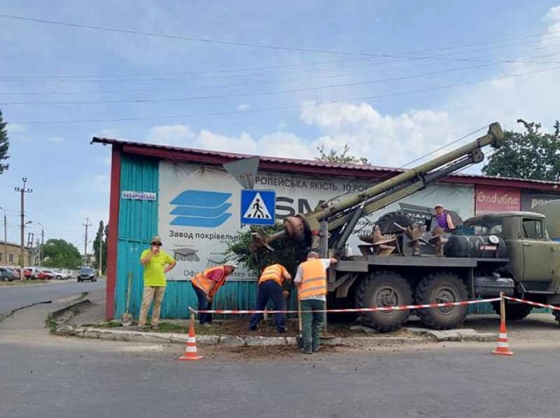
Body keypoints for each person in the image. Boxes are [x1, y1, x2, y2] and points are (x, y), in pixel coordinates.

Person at [294, 252, 337, 355]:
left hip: (305, 298)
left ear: (307, 258)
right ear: (316, 257)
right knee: (318, 322)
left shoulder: (302, 265)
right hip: (320, 298)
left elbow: (297, 282)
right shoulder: (322, 262)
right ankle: (316, 345)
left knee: (307, 322)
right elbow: (333, 260)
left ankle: (307, 348)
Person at [139, 235, 176, 330]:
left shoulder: (163, 254)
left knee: (157, 304)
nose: (156, 245)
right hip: (149, 283)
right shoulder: (146, 252)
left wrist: (166, 270)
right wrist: (152, 253)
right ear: (151, 244)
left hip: (161, 283)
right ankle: (141, 324)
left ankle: (154, 323)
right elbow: (142, 262)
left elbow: (173, 262)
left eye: (158, 244)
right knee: (146, 304)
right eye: (154, 243)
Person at [248, 263, 292, 333]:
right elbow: (288, 276)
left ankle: (252, 326)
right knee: (279, 306)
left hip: (262, 284)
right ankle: (280, 328)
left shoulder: (267, 268)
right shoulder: (281, 267)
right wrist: (287, 284)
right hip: (274, 283)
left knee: (259, 305)